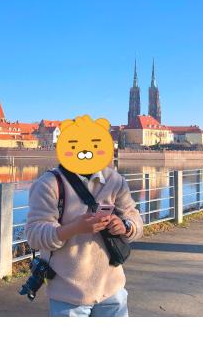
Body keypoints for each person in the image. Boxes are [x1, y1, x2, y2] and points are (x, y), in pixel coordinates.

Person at [25, 115, 143, 317]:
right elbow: (34, 236)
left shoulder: (115, 180)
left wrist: (125, 226)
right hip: (68, 295)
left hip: (112, 290)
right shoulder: (48, 185)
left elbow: (135, 220)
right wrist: (74, 229)